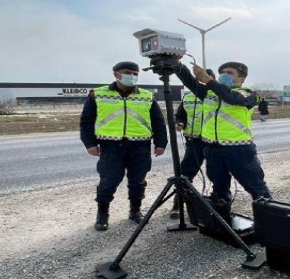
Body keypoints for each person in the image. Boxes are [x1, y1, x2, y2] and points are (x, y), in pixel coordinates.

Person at [80, 61, 168, 231]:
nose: (132, 76)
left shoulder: (147, 96)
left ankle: (135, 211)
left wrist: (160, 143)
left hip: (140, 146)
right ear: (116, 74)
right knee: (109, 181)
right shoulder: (97, 94)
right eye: (128, 72)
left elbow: (158, 122)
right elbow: (86, 121)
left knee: (138, 181)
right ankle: (102, 214)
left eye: (136, 74)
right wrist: (89, 143)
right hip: (111, 146)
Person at [172, 60, 272, 205]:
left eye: (229, 73)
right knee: (219, 189)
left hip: (239, 150)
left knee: (257, 189)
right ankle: (221, 222)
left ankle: (270, 223)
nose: (224, 75)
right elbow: (189, 81)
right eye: (222, 73)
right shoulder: (208, 93)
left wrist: (209, 80)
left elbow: (231, 98)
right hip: (212, 149)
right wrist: (177, 64)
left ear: (242, 79)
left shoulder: (248, 94)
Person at [168, 69, 216, 218]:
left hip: (214, 142)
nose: (200, 81)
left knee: (217, 173)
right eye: (198, 78)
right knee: (185, 174)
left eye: (204, 78)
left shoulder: (219, 96)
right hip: (194, 141)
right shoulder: (188, 97)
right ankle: (178, 204)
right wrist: (180, 122)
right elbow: (180, 115)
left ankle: (218, 203)